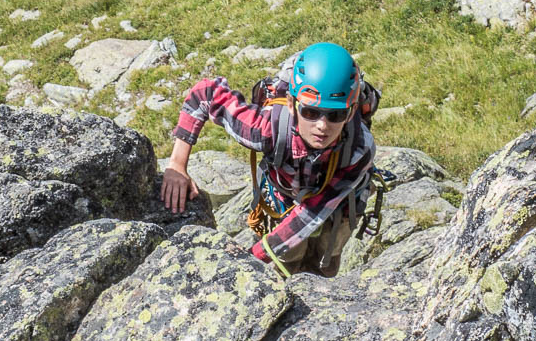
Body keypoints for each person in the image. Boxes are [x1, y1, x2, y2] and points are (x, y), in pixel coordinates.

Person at [160, 42, 375, 277]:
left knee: (327, 262)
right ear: (291, 105)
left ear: (351, 113)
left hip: (340, 202)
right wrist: (177, 164)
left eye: (336, 114)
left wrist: (254, 255)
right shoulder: (265, 129)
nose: (322, 126)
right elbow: (206, 93)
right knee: (288, 262)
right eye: (311, 112)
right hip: (286, 196)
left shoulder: (359, 148)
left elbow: (313, 212)